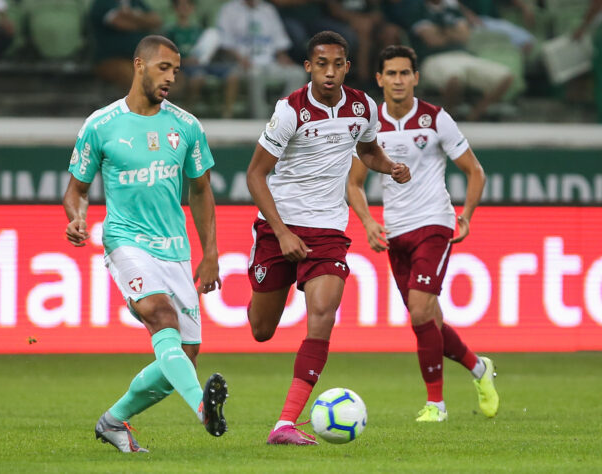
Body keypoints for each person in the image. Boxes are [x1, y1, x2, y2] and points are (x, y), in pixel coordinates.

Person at [62, 35, 228, 453]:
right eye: (164, 68)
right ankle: (202, 410)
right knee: (158, 313)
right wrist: (78, 217)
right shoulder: (101, 125)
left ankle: (113, 421)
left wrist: (210, 253)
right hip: (125, 242)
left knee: (185, 355)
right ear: (139, 65)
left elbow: (201, 190)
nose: (172, 77)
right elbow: (76, 190)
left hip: (175, 248)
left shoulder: (186, 126)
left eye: (176, 69)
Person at [246, 31, 410, 444]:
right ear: (308, 67)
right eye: (322, 64)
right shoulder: (290, 111)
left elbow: (368, 152)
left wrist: (389, 166)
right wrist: (281, 233)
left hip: (328, 231)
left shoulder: (363, 107)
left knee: (322, 315)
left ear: (347, 67)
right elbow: (255, 174)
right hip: (279, 228)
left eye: (338, 64)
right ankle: (268, 273)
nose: (330, 72)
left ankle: (284, 424)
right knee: (261, 329)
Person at [347, 45, 498, 422]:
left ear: (415, 77)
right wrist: (368, 221)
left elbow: (475, 171)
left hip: (433, 223)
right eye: (391, 74)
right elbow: (353, 184)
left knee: (419, 314)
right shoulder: (370, 124)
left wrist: (466, 216)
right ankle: (480, 369)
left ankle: (436, 405)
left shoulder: (436, 119)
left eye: (405, 73)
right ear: (379, 80)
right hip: (395, 233)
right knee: (429, 319)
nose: (398, 80)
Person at [408, 0, 515, 121]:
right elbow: (433, 40)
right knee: (454, 78)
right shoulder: (416, 8)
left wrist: (440, 31)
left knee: (505, 76)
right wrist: (452, 32)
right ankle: (448, 119)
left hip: (463, 55)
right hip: (434, 58)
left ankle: (474, 115)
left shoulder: (452, 8)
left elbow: (464, 36)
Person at [216, 0, 307, 118]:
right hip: (241, 64)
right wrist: (239, 58)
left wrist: (282, 57)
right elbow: (224, 42)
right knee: (255, 75)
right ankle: (260, 118)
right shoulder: (229, 9)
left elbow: (279, 40)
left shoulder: (268, 10)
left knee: (298, 73)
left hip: (269, 61)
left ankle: (281, 115)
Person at [164, 0, 240, 118]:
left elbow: (209, 49)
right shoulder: (170, 31)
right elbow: (166, 55)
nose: (184, 8)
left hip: (204, 64)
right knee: (198, 77)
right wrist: (185, 60)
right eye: (181, 6)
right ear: (175, 9)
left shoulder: (199, 30)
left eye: (187, 5)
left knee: (233, 73)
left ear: (192, 8)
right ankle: (186, 111)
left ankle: (227, 113)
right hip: (184, 65)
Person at [89, 0, 163, 91]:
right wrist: (144, 22)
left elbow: (156, 21)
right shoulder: (102, 3)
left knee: (167, 75)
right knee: (133, 77)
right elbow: (121, 23)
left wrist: (129, 15)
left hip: (140, 58)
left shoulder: (136, 2)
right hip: (111, 59)